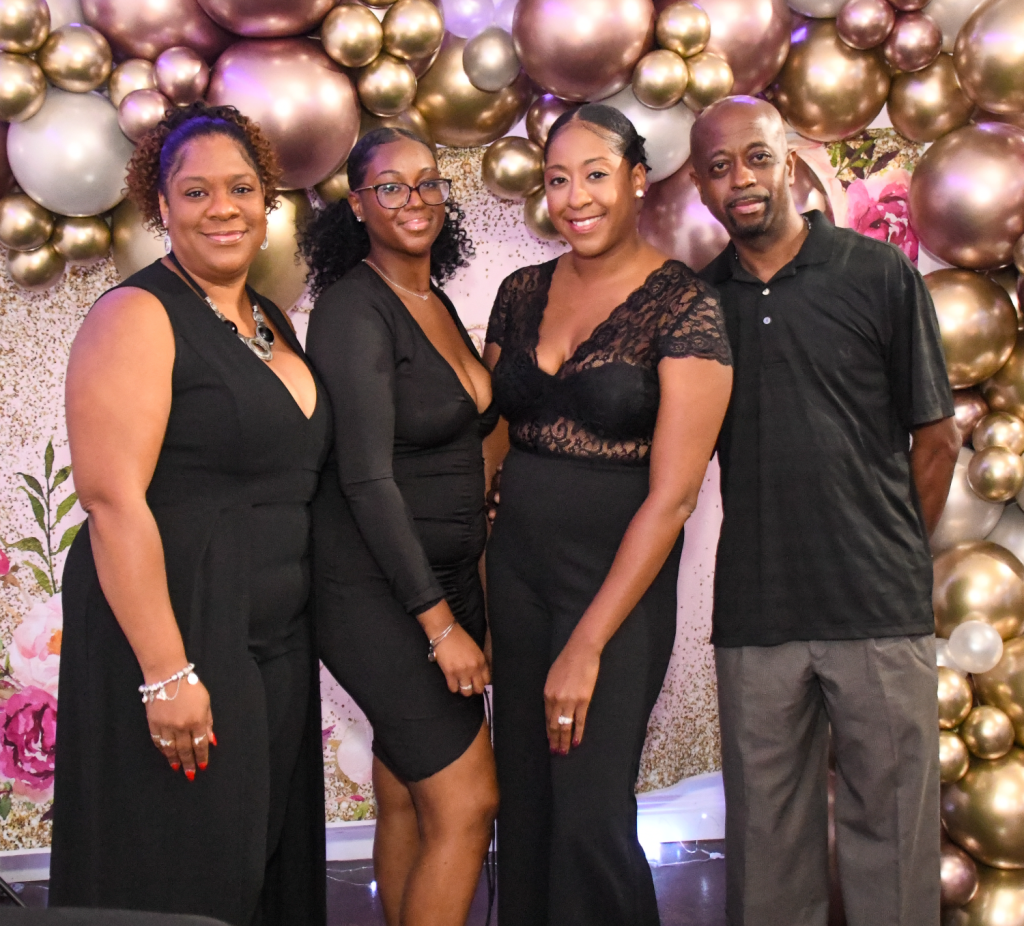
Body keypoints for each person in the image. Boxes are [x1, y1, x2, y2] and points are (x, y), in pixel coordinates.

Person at [50, 103, 329, 926]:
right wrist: (166, 672)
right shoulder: (136, 315)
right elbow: (111, 500)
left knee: (257, 858)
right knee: (185, 870)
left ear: (267, 199)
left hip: (269, 634)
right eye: (195, 191)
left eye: (241, 188)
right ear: (160, 207)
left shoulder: (268, 321)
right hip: (176, 627)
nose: (223, 208)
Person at [689, 96, 959, 926]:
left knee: (894, 838)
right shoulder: (697, 305)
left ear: (792, 162)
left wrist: (884, 549)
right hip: (756, 611)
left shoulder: (878, 275)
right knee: (767, 846)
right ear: (699, 184)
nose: (742, 179)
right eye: (720, 165)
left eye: (757, 157)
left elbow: (937, 440)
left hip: (878, 607)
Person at [482, 103, 734, 926]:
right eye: (558, 179)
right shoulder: (521, 292)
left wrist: (587, 645)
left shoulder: (684, 304)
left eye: (595, 174)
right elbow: (491, 438)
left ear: (636, 179)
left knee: (590, 811)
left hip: (613, 591)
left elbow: (675, 496)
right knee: (523, 802)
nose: (575, 196)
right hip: (514, 579)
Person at [299, 127, 499, 926]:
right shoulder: (353, 308)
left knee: (413, 803)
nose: (414, 201)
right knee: (469, 801)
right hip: (381, 594)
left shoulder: (432, 299)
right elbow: (367, 478)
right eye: (391, 187)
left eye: (427, 184)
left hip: (443, 581)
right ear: (358, 204)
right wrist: (439, 622)